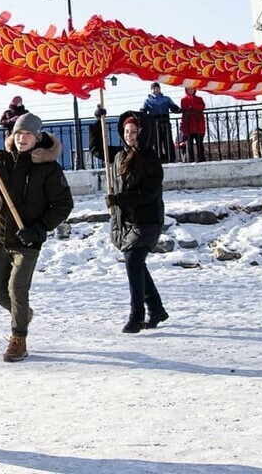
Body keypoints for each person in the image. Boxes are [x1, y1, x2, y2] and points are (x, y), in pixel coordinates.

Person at [0, 113, 73, 362]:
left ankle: (18, 339)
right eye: (19, 133)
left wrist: (39, 229)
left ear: (38, 137)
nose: (22, 138)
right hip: (0, 238)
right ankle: (23, 314)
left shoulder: (48, 168)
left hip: (27, 242)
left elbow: (63, 205)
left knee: (16, 289)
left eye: (28, 134)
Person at [90, 108, 169, 334]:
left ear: (142, 133)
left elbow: (149, 193)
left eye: (134, 131)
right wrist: (98, 121)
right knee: (137, 265)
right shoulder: (118, 155)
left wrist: (119, 199)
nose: (129, 135)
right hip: (125, 221)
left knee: (133, 262)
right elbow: (97, 149)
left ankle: (137, 316)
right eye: (126, 131)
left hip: (147, 221)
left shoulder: (150, 158)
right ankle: (156, 309)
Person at [141, 82, 181, 163]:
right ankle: (158, 159)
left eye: (157, 88)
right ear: (151, 90)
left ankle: (171, 158)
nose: (155, 90)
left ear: (159, 89)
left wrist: (178, 110)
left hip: (165, 122)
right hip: (154, 123)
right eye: (153, 88)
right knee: (156, 141)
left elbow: (173, 107)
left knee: (168, 140)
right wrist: (141, 113)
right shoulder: (148, 101)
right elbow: (143, 110)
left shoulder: (166, 99)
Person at [180, 87, 206, 162]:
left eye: (192, 89)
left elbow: (202, 107)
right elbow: (184, 110)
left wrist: (192, 107)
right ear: (186, 90)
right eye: (189, 89)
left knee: (199, 144)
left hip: (199, 125)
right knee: (189, 145)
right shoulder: (184, 100)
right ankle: (191, 160)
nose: (190, 91)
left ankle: (201, 159)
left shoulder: (199, 99)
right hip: (188, 125)